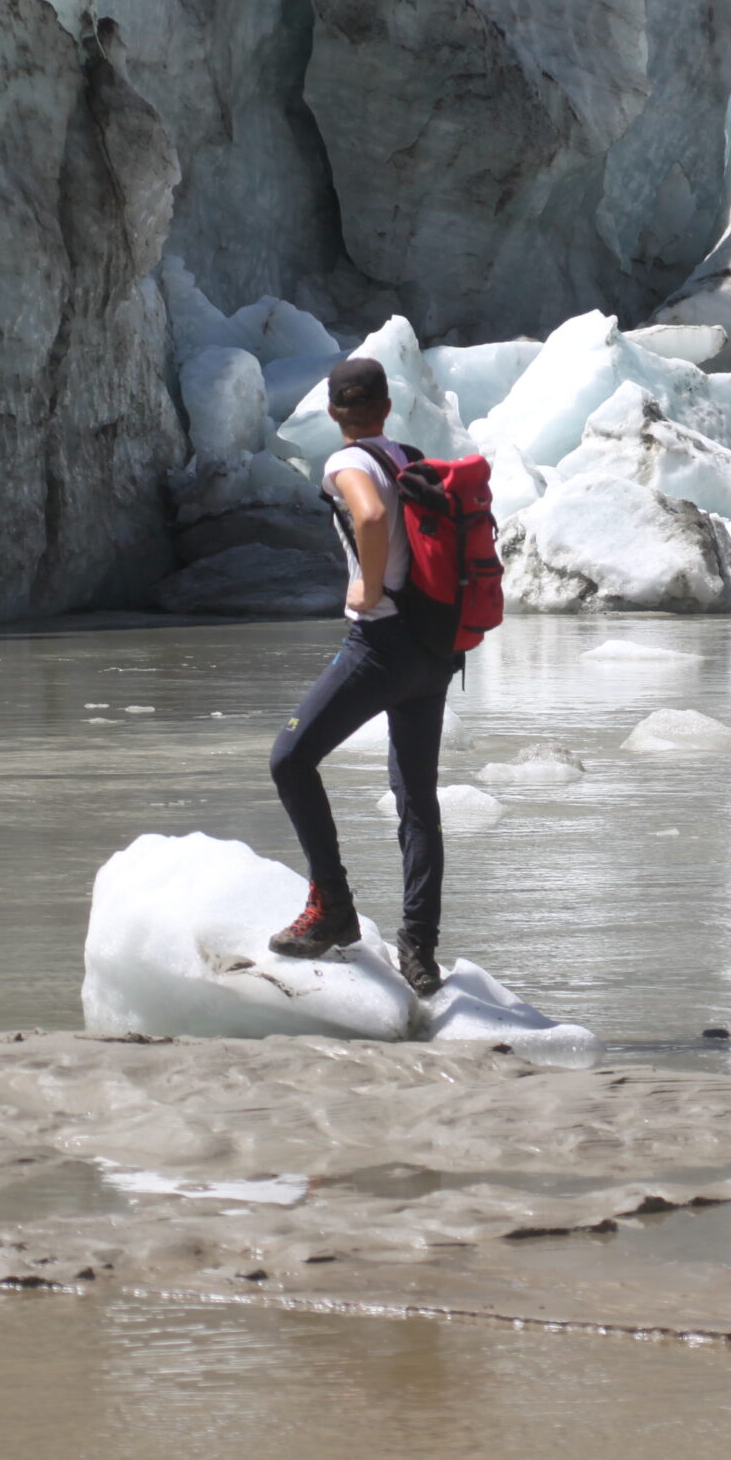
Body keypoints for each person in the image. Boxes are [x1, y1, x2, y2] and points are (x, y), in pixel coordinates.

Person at [266, 357, 454, 997]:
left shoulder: (346, 464)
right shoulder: (407, 453)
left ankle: (333, 907)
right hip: (433, 650)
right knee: (417, 802)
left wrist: (368, 588)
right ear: (385, 406)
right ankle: (420, 952)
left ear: (332, 410)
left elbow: (370, 518)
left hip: (380, 644)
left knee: (290, 758)